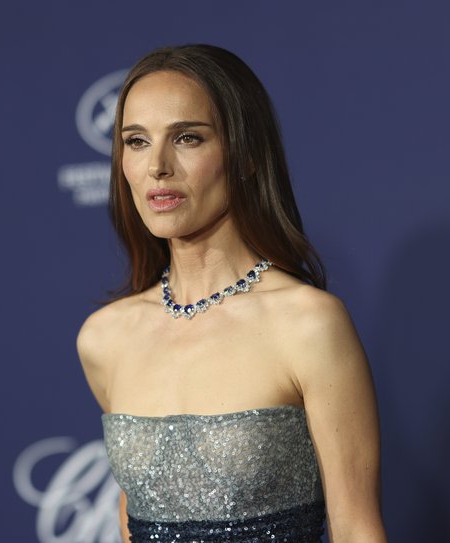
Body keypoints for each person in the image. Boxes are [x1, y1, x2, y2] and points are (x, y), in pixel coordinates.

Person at [77, 44, 387, 543]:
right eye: (136, 141)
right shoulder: (105, 338)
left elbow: (356, 529)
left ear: (244, 156)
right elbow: (132, 523)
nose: (157, 166)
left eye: (187, 138)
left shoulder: (308, 324)